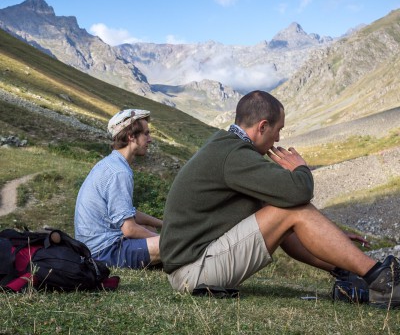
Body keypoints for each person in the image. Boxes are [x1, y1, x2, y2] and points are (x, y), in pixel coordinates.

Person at [160, 90, 400, 308]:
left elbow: (284, 227)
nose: (278, 139)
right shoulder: (234, 156)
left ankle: (357, 275)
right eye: (278, 130)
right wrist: (301, 168)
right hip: (194, 273)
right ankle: (383, 280)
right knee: (293, 210)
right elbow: (299, 193)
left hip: (193, 269)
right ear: (263, 126)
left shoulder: (228, 148)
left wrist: (335, 243)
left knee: (285, 210)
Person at [75, 108, 162, 269]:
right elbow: (129, 229)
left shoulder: (111, 163)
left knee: (150, 228)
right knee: (175, 244)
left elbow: (127, 212)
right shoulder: (120, 172)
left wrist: (164, 224)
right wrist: (162, 238)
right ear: (131, 137)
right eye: (146, 134)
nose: (150, 139)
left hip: (92, 247)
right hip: (104, 252)